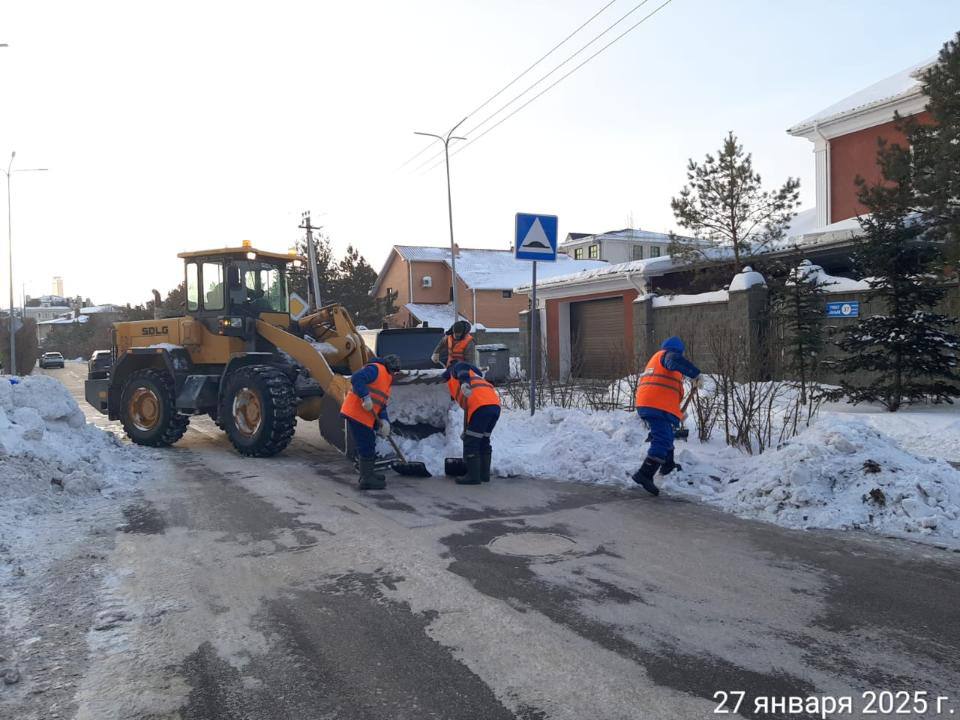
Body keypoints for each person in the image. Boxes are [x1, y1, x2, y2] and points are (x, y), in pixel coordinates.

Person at [632, 336, 701, 496]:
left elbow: (669, 392)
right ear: (678, 351)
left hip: (654, 404)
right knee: (662, 439)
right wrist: (695, 374)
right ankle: (644, 474)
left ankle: (668, 465)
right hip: (656, 406)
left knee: (667, 435)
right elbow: (674, 361)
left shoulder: (659, 362)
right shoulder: (667, 356)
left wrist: (677, 414)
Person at [340, 353, 402, 490]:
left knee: (369, 443)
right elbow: (356, 378)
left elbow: (381, 404)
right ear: (389, 367)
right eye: (394, 371)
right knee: (366, 444)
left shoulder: (387, 378)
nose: (394, 374)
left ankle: (368, 474)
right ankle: (366, 479)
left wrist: (385, 421)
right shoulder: (375, 369)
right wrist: (365, 396)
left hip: (365, 416)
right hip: (356, 413)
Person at [444, 360, 501, 485]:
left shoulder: (458, 368)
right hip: (494, 406)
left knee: (471, 441)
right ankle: (484, 475)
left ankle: (473, 477)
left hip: (481, 406)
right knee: (483, 440)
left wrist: (464, 383)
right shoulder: (475, 375)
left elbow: (462, 368)